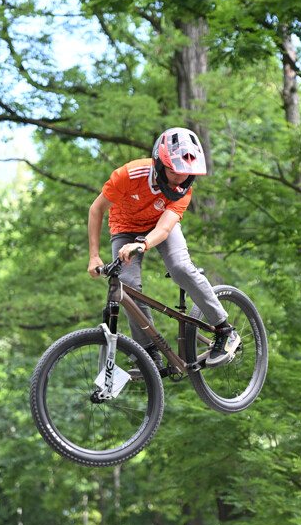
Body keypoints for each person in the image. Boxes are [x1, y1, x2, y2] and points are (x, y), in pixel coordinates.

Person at [88, 127, 241, 369]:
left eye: (186, 174)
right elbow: (96, 209)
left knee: (180, 267)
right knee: (126, 286)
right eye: (174, 172)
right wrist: (94, 256)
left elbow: (164, 229)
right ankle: (149, 353)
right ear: (159, 164)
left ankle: (224, 329)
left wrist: (143, 244)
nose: (180, 179)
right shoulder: (129, 174)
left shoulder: (183, 189)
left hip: (160, 227)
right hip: (124, 227)